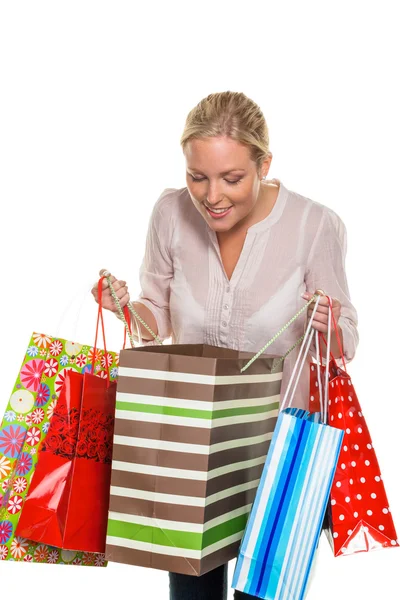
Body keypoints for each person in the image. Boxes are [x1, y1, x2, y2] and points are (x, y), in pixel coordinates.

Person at [92, 91, 358, 600]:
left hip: (277, 454)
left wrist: (328, 323)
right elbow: (158, 321)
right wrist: (123, 306)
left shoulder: (315, 225)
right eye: (198, 177)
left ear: (264, 164)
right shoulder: (170, 213)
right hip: (188, 449)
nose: (212, 195)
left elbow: (347, 339)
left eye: (231, 178)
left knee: (265, 595)